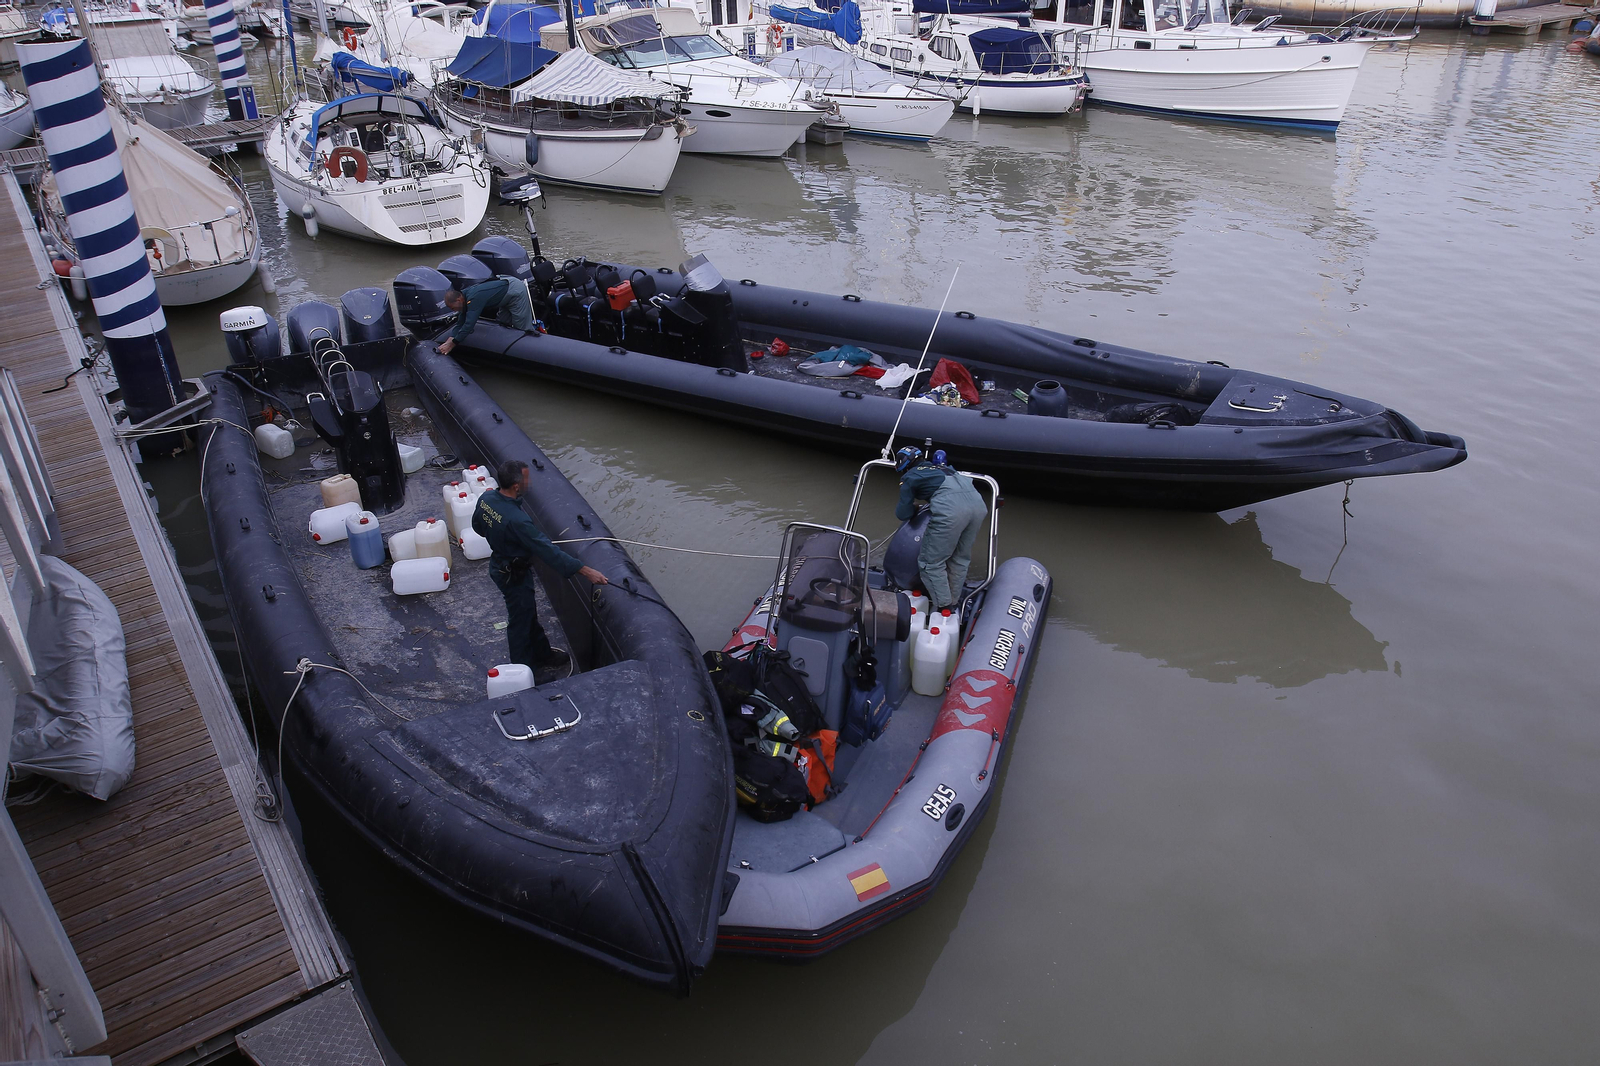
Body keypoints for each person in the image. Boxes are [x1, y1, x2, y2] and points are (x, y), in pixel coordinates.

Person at [472, 459, 608, 680]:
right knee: (520, 622)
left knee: (527, 613)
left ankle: (543, 653)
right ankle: (524, 671)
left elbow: (478, 527)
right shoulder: (519, 521)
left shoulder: (487, 499)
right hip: (512, 575)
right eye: (526, 478)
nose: (530, 482)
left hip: (499, 565)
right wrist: (586, 571)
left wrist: (502, 539)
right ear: (516, 486)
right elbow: (548, 552)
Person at [893, 445, 987, 612]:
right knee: (959, 559)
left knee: (930, 563)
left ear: (903, 464)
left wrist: (914, 507)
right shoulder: (944, 468)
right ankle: (954, 602)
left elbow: (902, 513)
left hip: (951, 511)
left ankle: (944, 607)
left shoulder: (911, 476)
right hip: (978, 506)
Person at [437, 276, 535, 355]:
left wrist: (453, 344)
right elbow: (461, 320)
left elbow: (469, 324)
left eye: (453, 308)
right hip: (503, 295)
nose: (453, 310)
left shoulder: (473, 299)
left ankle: (532, 350)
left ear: (458, 300)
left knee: (522, 328)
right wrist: (451, 337)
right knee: (503, 322)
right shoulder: (464, 297)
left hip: (515, 291)